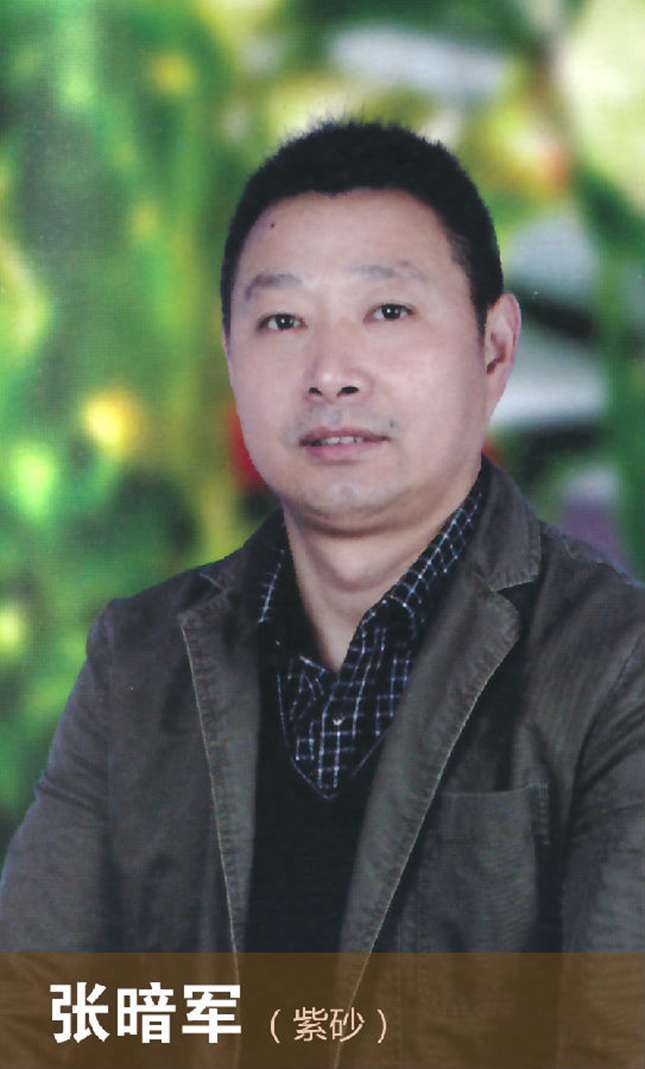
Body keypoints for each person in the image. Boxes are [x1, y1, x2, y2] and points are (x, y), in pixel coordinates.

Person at [1, 119, 643, 970]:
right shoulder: (141, 657)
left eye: (387, 311)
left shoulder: (614, 661)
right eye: (281, 320)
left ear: (493, 349)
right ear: (228, 355)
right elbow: (34, 1003)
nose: (330, 371)